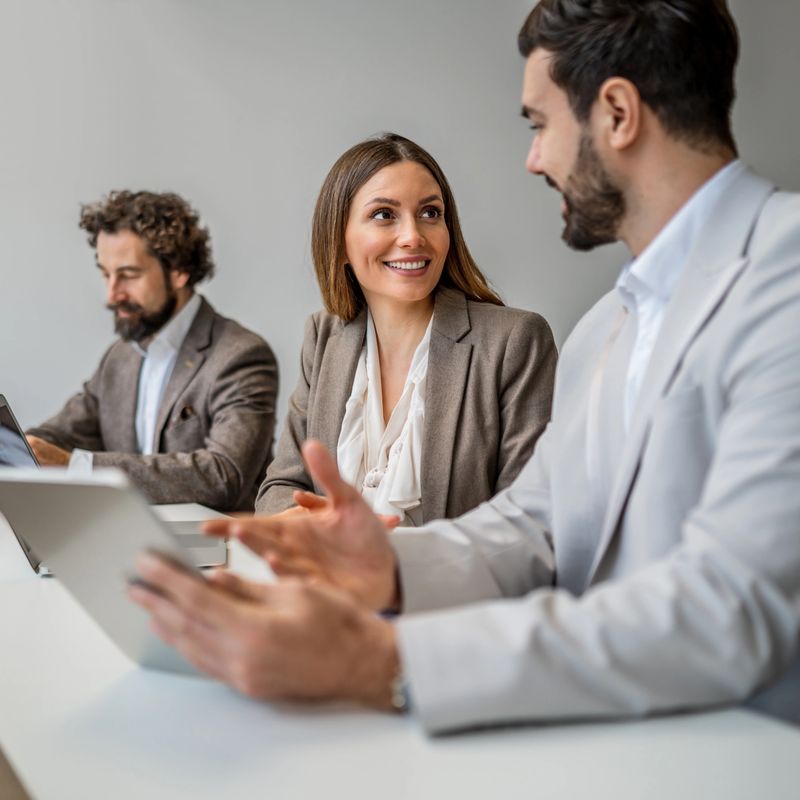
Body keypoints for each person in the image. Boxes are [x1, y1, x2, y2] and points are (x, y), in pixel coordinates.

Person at [130, 0, 800, 734]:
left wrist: (386, 659)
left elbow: (734, 608)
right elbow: (534, 527)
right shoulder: (605, 328)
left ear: (616, 113)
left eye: (539, 124)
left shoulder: (785, 275)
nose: (533, 158)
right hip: (603, 734)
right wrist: (383, 563)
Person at [256, 134, 556, 524]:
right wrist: (325, 530)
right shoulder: (324, 337)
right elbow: (279, 488)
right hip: (331, 580)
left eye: (430, 213)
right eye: (384, 215)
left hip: (451, 585)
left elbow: (528, 519)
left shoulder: (515, 342)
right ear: (340, 241)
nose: (413, 236)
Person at [27, 191, 278, 512]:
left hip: (218, 549)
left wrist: (77, 466)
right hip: (127, 539)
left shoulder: (241, 355)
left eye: (129, 275)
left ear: (179, 272)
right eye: (106, 274)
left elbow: (224, 476)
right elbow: (56, 436)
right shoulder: (119, 357)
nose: (112, 294)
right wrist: (17, 448)